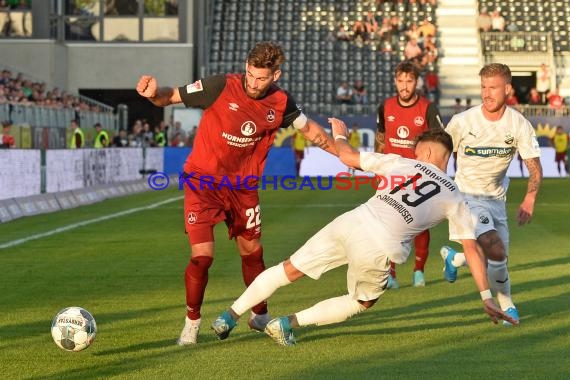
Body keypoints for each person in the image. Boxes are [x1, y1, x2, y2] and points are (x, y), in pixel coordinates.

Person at [210, 124, 517, 346]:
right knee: (361, 302)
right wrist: (486, 297)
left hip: (352, 221)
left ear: (426, 150)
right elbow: (472, 249)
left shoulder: (401, 162)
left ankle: (229, 315)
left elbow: (346, 156)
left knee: (288, 269)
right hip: (380, 244)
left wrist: (341, 134)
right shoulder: (455, 196)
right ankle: (287, 323)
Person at [136, 41, 337, 345]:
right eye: (251, 75)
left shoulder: (282, 103)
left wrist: (344, 152)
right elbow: (170, 96)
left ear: (276, 75)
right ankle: (192, 322)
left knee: (252, 253)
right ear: (245, 67)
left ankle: (259, 315)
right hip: (202, 183)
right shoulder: (219, 86)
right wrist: (154, 95)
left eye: (261, 78)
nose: (254, 83)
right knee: (202, 257)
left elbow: (311, 132)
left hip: (243, 189)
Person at [440, 63, 542, 326]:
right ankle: (508, 307)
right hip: (466, 197)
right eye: (483, 87)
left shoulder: (518, 124)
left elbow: (534, 166)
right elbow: (441, 155)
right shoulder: (462, 121)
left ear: (507, 88)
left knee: (498, 260)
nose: (487, 93)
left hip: (496, 199)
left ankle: (455, 258)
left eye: (493, 87)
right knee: (494, 249)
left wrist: (530, 198)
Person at [375, 60, 443, 289]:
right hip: (391, 175)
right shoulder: (385, 106)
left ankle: (418, 271)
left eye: (409, 81)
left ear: (417, 82)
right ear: (395, 81)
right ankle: (391, 275)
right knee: (390, 227)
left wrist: (436, 173)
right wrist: (377, 166)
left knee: (420, 225)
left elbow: (440, 142)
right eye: (401, 81)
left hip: (418, 176)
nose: (404, 86)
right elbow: (381, 138)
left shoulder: (428, 108)